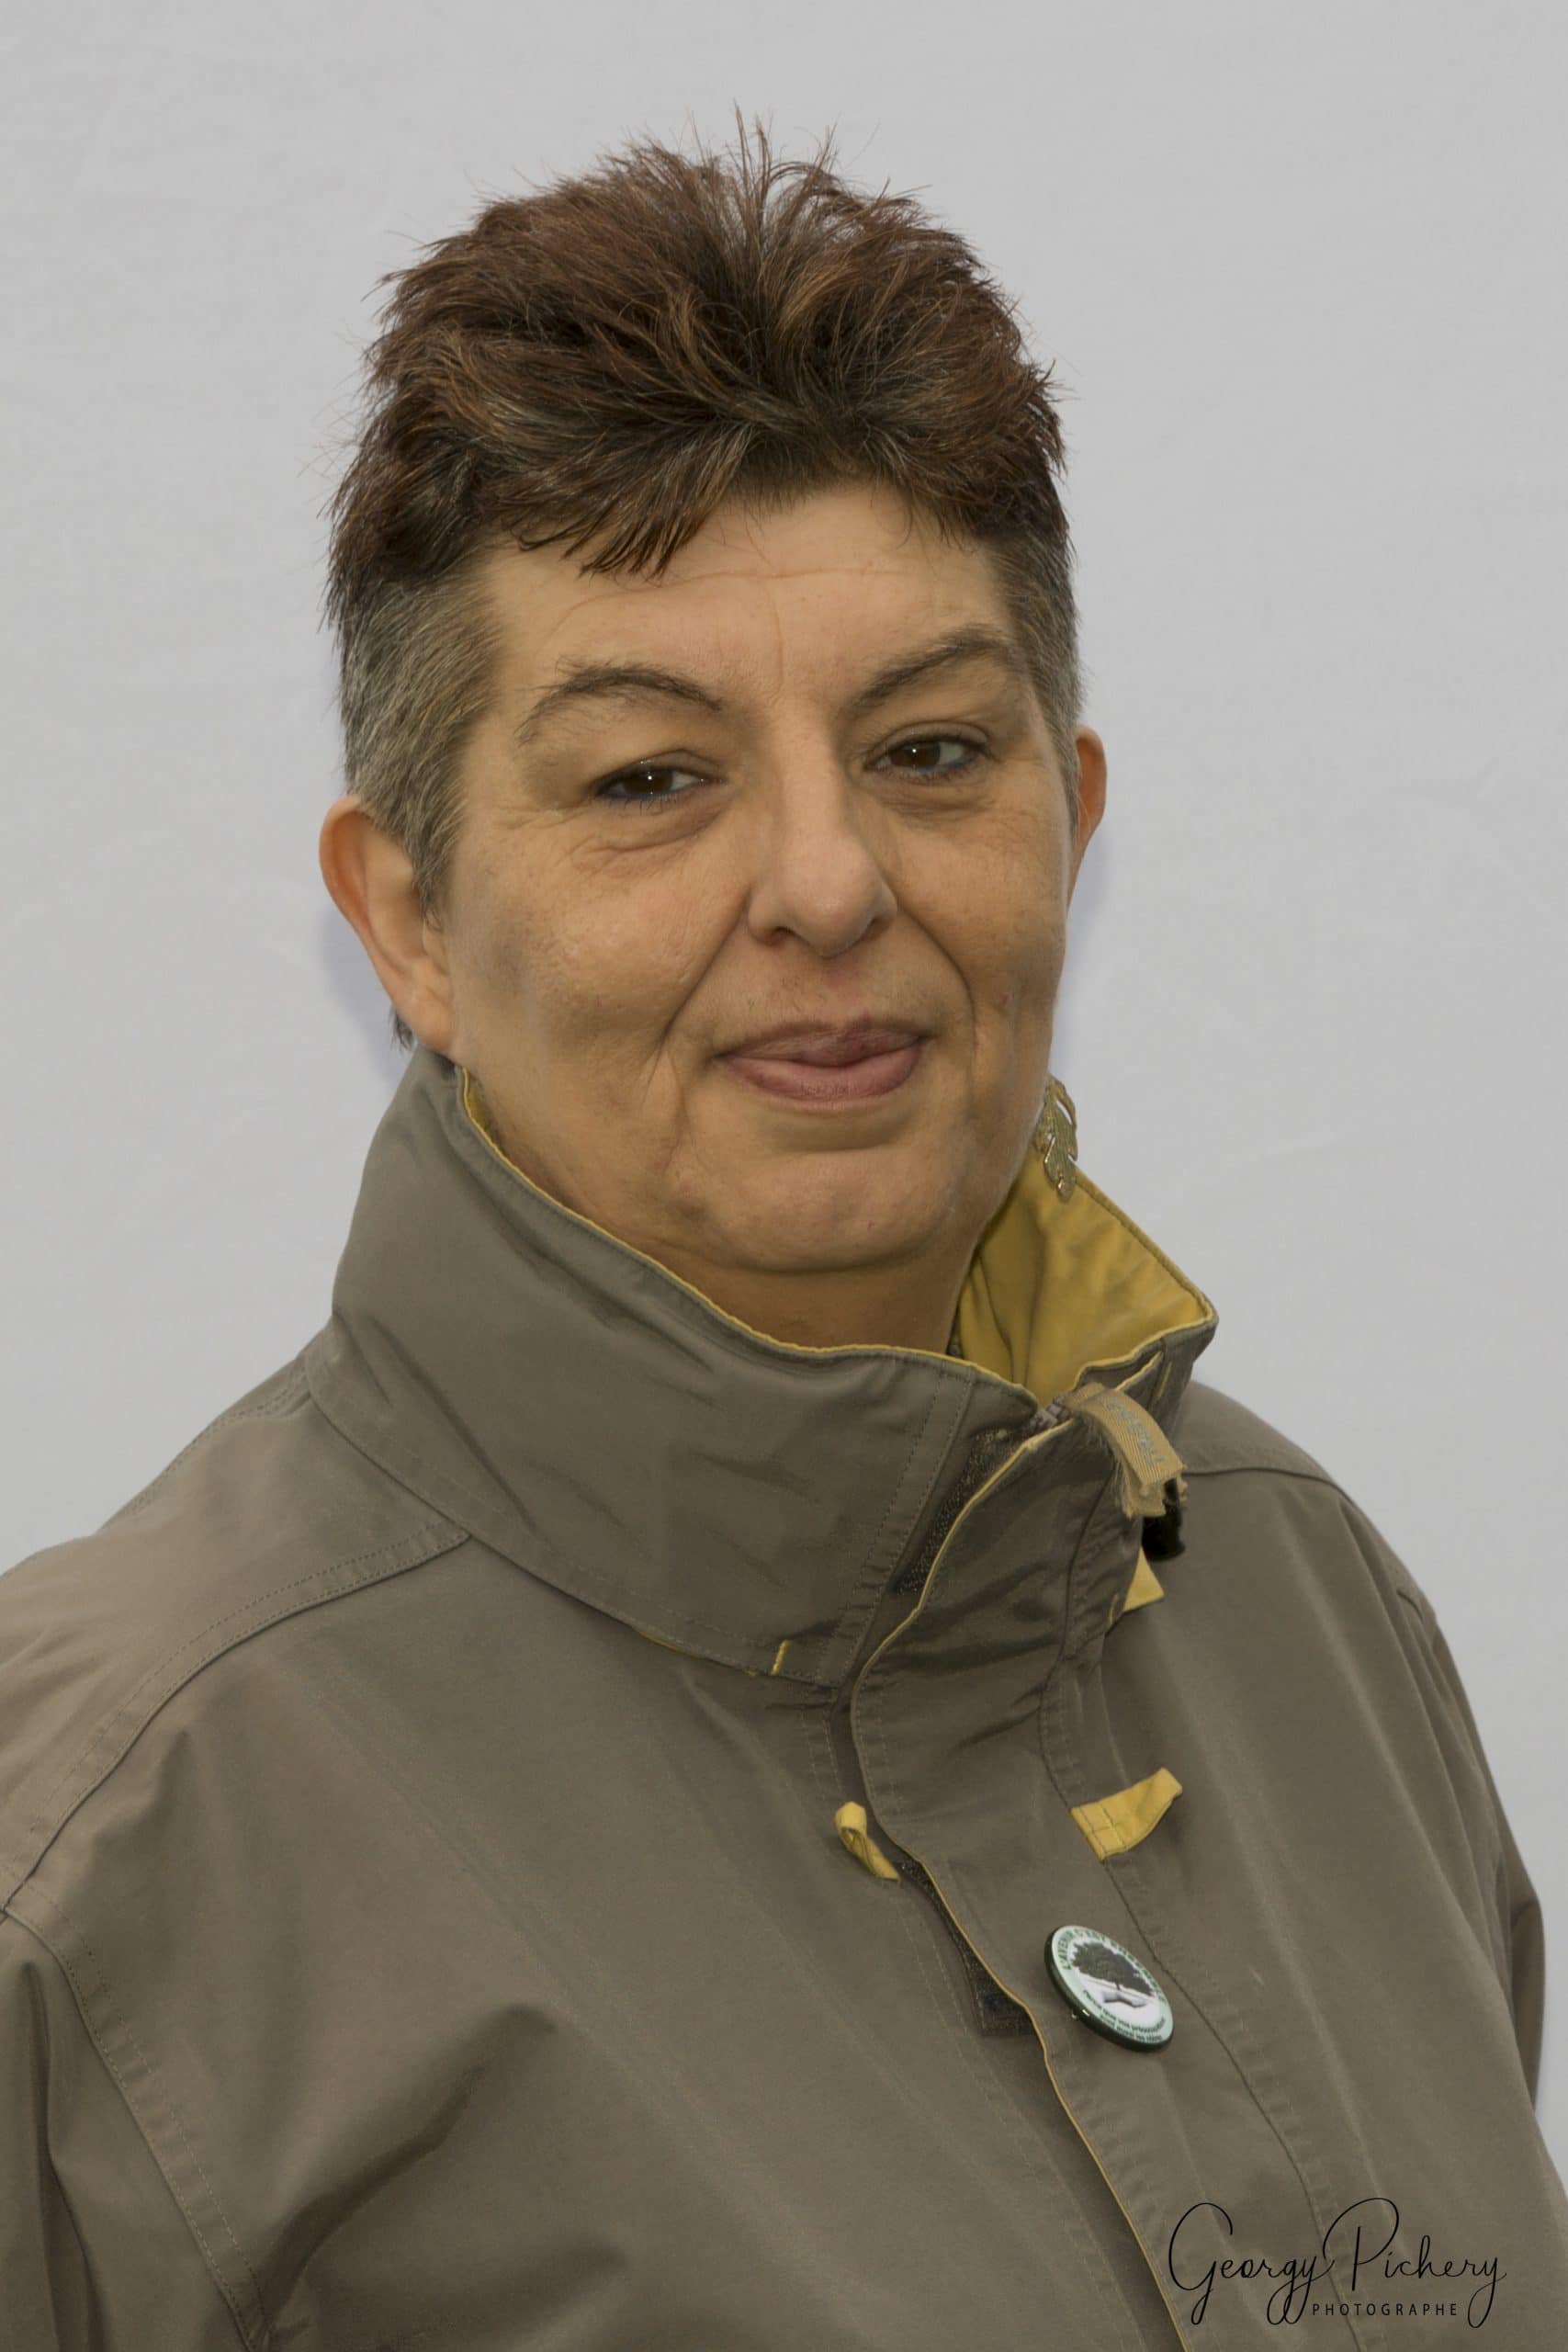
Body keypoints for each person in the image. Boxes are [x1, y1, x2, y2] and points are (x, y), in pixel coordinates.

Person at [3, 112, 1564, 2350]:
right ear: (407, 917)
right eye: (650, 776)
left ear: (1070, 819)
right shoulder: (102, 1843)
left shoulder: (1296, 1599)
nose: (829, 882)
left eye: (928, 750)